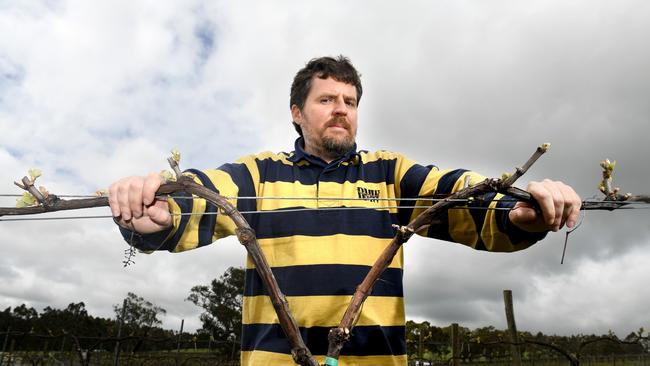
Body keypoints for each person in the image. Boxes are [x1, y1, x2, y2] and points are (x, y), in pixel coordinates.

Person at [108, 56, 581, 366]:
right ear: (297, 111)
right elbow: (203, 195)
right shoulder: (260, 173)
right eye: (327, 99)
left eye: (350, 102)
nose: (342, 110)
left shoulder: (389, 173)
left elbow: (459, 194)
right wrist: (162, 211)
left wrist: (518, 211)